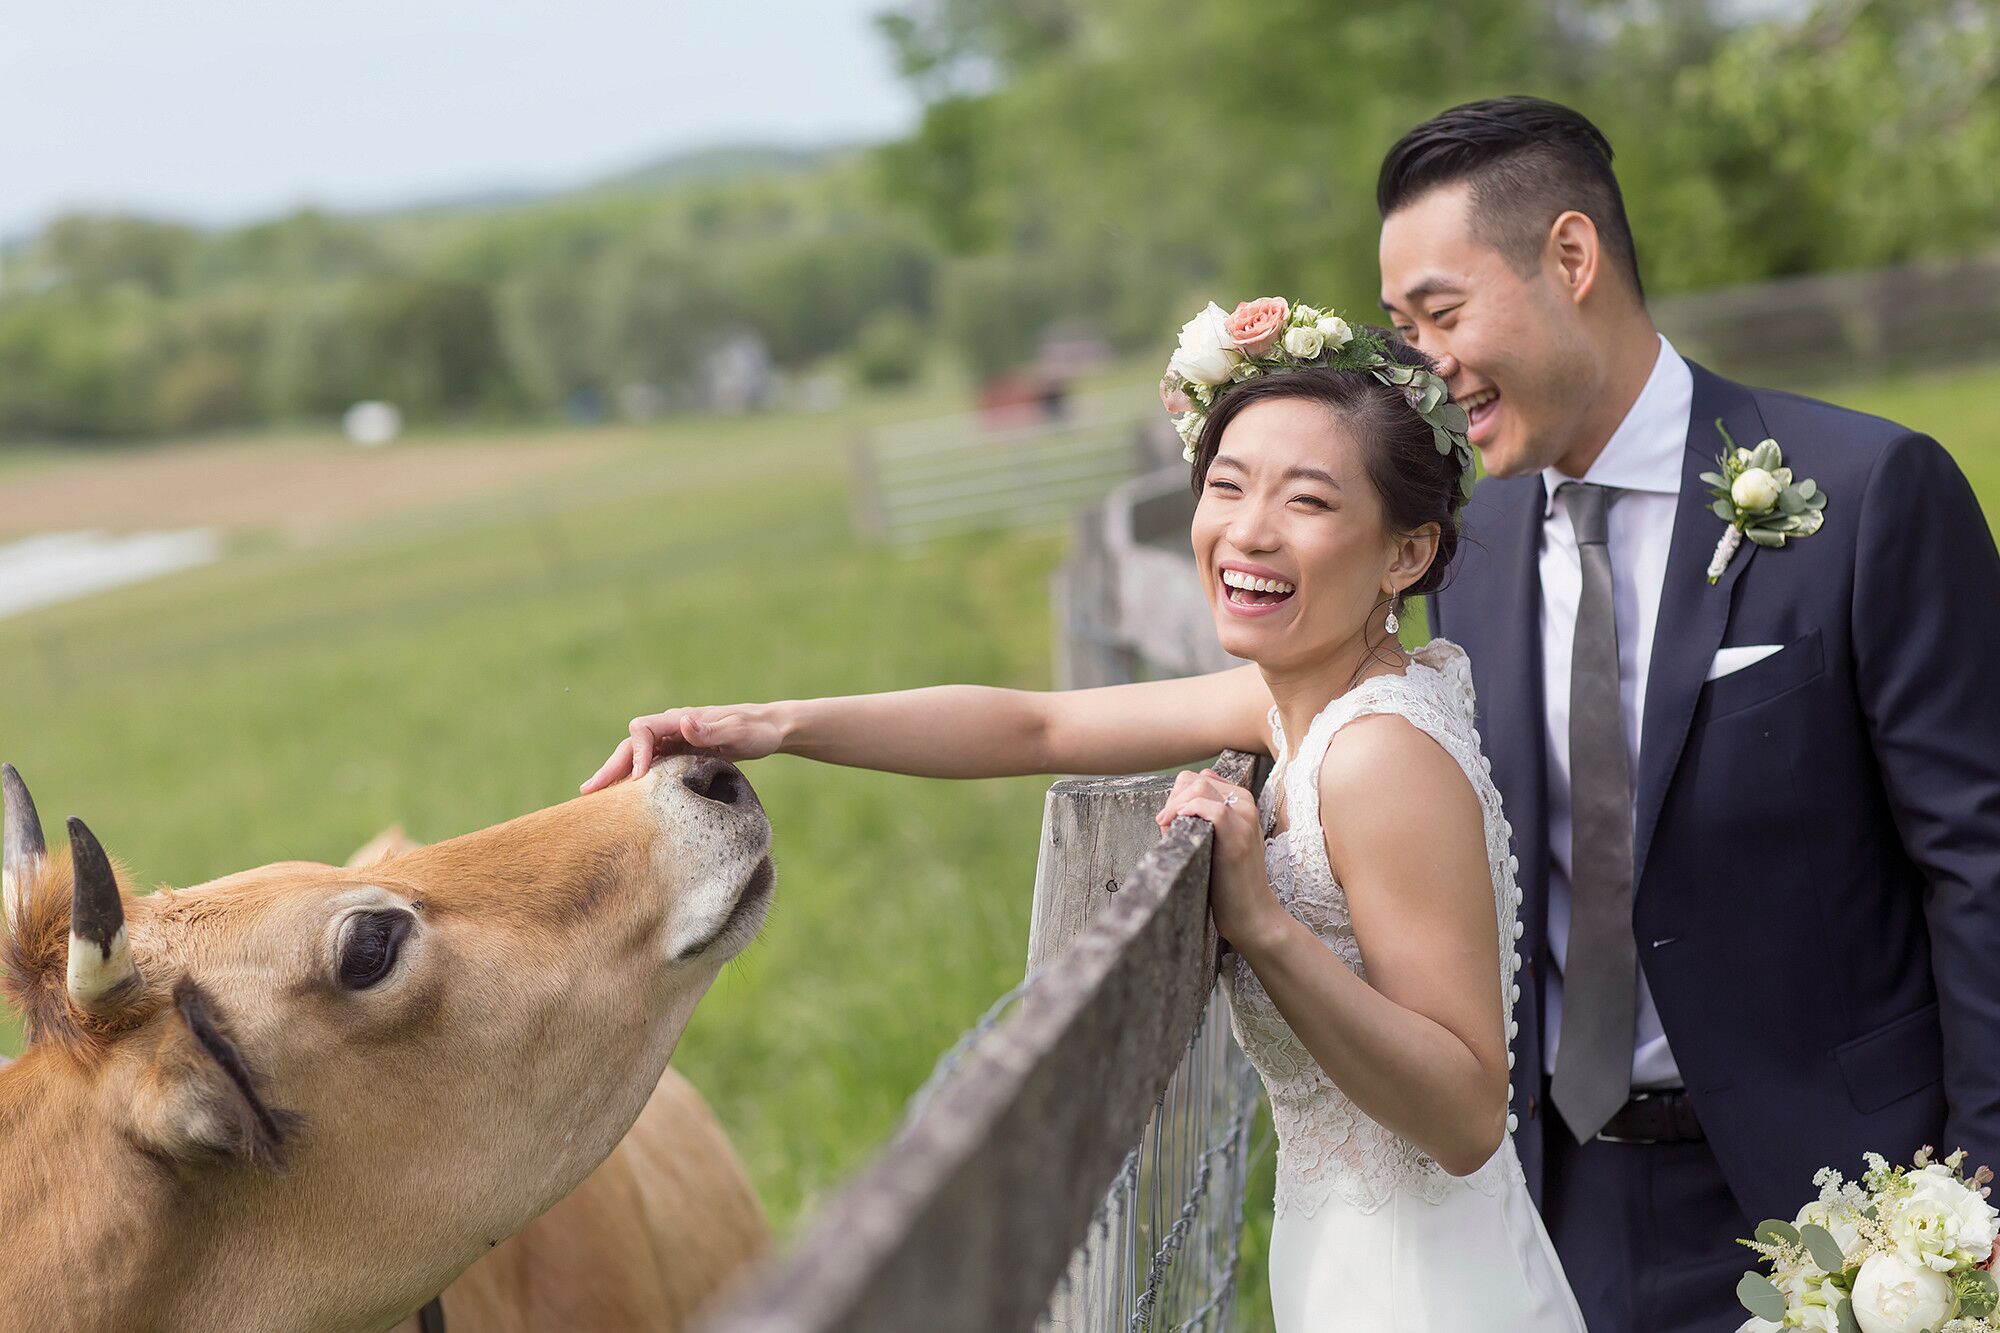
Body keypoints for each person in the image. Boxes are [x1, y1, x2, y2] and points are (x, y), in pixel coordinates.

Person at [582, 306, 1585, 1330]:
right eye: (1226, 485)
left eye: (1309, 500)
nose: (1246, 529)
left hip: (1422, 1285)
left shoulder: (1376, 752)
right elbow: (1036, 729)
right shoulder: (1305, 698)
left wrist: (1264, 927)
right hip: (1351, 1253)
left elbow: (1464, 1115)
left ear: (1402, 553)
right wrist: (766, 723)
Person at [1375, 96, 2000, 1331]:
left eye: (1439, 314)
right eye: (1403, 329)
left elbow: (1979, 863)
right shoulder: (1465, 550)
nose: (1422, 362)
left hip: (1851, 1203)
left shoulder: (1870, 492)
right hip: (1557, 1209)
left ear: (1569, 257)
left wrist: (1980, 1190)